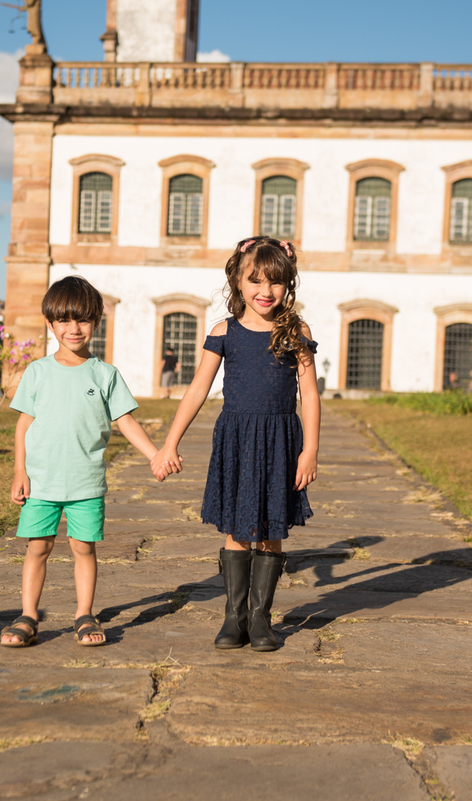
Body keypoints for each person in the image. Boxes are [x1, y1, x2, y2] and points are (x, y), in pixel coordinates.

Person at [151, 237, 320, 652]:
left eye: (276, 282)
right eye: (256, 281)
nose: (266, 291)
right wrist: (169, 443)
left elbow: (310, 395)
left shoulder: (296, 331)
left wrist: (310, 450)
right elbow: (196, 390)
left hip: (281, 442)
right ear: (237, 281)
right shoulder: (224, 332)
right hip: (237, 442)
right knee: (238, 529)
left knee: (271, 528)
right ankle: (235, 617)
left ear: (289, 284)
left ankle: (261, 620)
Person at [1, 275, 162, 648]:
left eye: (83, 320)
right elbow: (23, 425)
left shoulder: (105, 375)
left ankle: (84, 614)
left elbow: (125, 421)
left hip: (85, 483)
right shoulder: (38, 373)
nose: (74, 329)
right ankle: (28, 615)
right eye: (64, 320)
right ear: (50, 323)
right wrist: (19, 472)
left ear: (96, 322)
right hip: (40, 483)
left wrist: (155, 455)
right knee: (37, 547)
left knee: (82, 547)